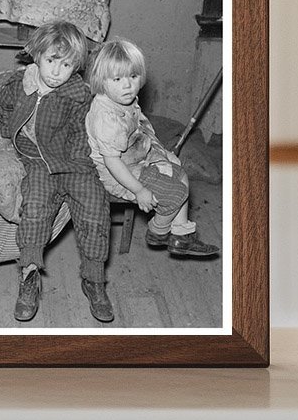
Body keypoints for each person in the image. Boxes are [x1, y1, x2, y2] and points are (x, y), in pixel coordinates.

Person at [0, 21, 114, 324]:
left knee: (94, 209)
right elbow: (3, 106)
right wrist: (10, 133)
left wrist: (78, 164)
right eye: (51, 61)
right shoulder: (20, 84)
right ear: (37, 55)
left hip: (72, 162)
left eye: (67, 64)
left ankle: (94, 279)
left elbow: (79, 134)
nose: (57, 71)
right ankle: (30, 276)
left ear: (77, 66)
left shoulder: (78, 94)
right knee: (34, 207)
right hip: (36, 160)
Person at [86, 38, 219, 260]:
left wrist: (158, 153)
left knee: (181, 174)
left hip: (134, 158)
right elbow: (112, 162)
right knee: (177, 193)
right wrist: (139, 190)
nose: (127, 85)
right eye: (117, 79)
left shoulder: (123, 98)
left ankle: (181, 235)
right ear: (101, 80)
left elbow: (139, 129)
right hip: (117, 173)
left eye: (133, 77)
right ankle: (158, 231)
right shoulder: (107, 117)